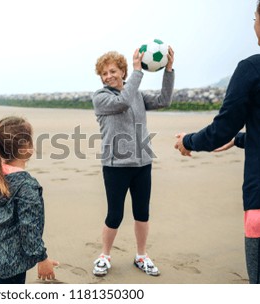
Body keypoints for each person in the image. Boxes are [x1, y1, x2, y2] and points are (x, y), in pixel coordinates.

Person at [174, 1, 260, 284]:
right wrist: (241, 140)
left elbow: (221, 129)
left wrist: (189, 141)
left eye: (253, 17)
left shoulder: (251, 69)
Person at [91, 47, 175, 276]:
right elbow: (123, 102)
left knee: (142, 212)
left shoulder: (135, 92)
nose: (108, 76)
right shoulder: (101, 97)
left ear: (122, 71)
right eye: (104, 74)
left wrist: (168, 70)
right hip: (115, 166)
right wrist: (138, 72)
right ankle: (104, 256)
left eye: (112, 71)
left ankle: (141, 256)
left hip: (142, 164)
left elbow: (164, 100)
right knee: (115, 215)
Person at [0, 116, 58, 284]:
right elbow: (28, 228)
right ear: (25, 148)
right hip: (13, 260)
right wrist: (42, 258)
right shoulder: (26, 186)